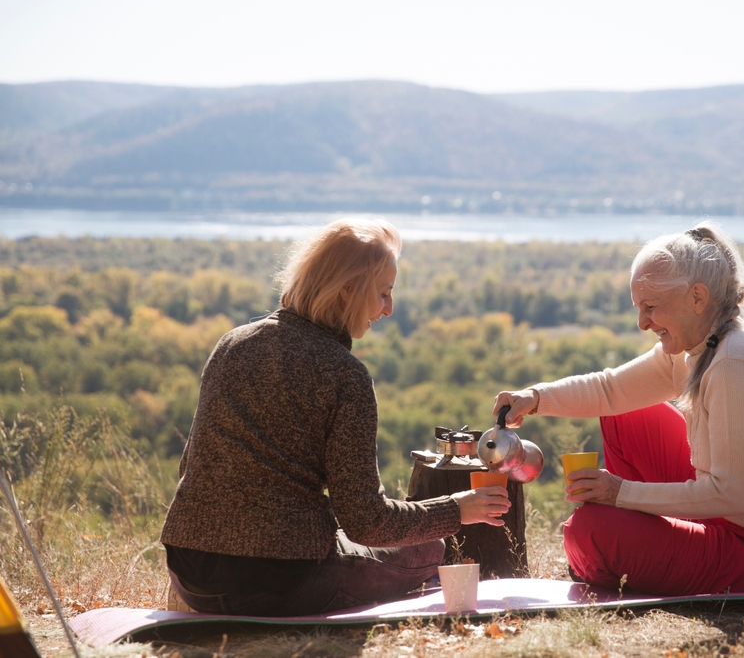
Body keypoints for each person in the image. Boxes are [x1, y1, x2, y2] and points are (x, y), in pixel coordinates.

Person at [160, 218, 510, 616]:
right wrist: (456, 509)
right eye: (383, 293)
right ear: (347, 291)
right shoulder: (345, 375)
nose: (388, 309)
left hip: (190, 573)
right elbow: (368, 523)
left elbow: (190, 469)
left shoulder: (232, 344)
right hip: (281, 582)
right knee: (430, 548)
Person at [493, 222, 744, 596]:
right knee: (625, 414)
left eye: (651, 307)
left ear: (697, 298)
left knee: (590, 533)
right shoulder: (698, 346)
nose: (642, 323)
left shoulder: (736, 366)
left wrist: (619, 493)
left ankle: (630, 550)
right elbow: (611, 390)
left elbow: (730, 495)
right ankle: (646, 542)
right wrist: (536, 397)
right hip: (728, 519)